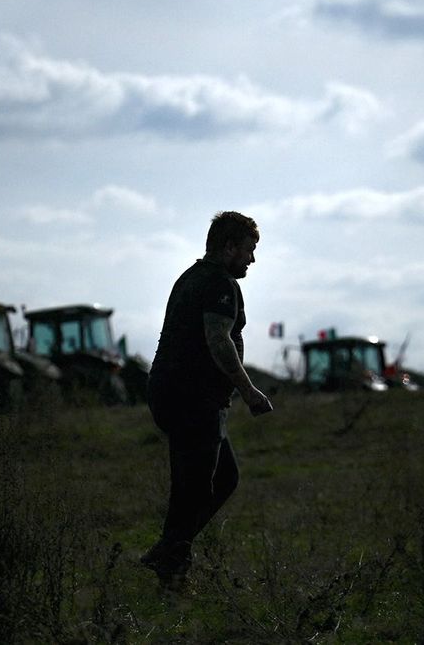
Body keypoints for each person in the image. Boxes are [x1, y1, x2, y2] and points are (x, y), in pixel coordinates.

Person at [140, 210, 273, 587]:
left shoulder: (192, 276)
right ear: (228, 246)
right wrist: (249, 391)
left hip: (178, 394)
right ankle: (170, 566)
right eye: (248, 250)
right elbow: (219, 341)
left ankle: (168, 550)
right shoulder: (218, 283)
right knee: (195, 487)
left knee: (222, 477)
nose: (252, 259)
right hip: (192, 398)